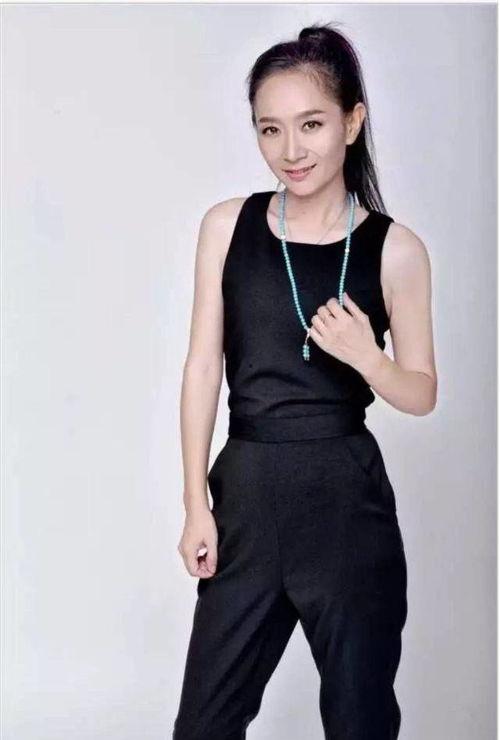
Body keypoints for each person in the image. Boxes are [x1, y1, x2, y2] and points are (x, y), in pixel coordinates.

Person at [173, 22, 437, 740]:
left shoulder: (396, 249)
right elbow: (202, 366)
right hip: (247, 496)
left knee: (359, 720)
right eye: (271, 129)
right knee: (204, 724)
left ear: (352, 122)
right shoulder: (227, 226)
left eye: (312, 124)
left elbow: (421, 391)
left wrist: (367, 357)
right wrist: (195, 504)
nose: (291, 149)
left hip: (346, 503)